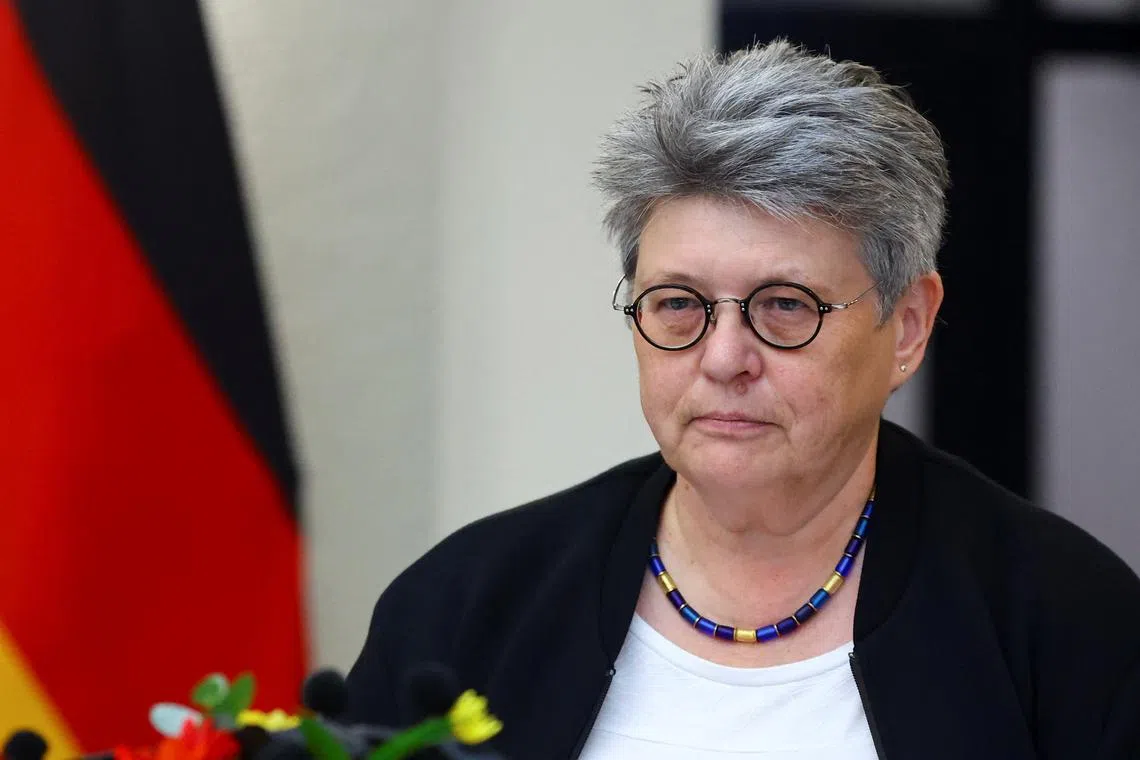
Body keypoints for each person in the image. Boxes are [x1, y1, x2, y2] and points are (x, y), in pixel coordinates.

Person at [344, 40, 1140, 758]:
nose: (724, 358)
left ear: (907, 326)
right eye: (678, 304)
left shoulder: (1066, 622)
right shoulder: (466, 604)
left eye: (786, 305)